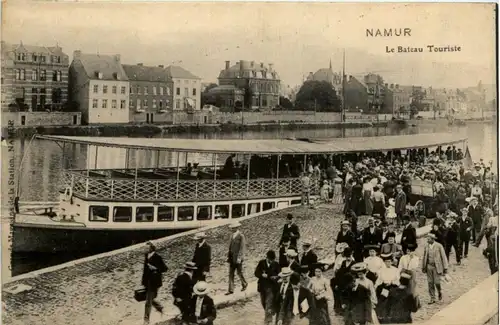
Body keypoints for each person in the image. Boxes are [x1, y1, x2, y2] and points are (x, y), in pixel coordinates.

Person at [141, 241, 168, 325]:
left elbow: (165, 268)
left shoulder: (157, 257)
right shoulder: (146, 256)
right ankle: (159, 306)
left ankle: (146, 320)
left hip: (154, 282)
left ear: (151, 249)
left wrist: (155, 268)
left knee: (148, 301)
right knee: (149, 299)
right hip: (147, 282)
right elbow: (145, 270)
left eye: (146, 248)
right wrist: (143, 281)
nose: (144, 249)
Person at [255, 250, 281, 325]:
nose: (271, 261)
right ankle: (270, 313)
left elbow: (279, 275)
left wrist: (273, 277)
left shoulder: (276, 264)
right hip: (262, 287)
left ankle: (267, 321)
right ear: (267, 258)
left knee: (268, 304)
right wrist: (261, 275)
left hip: (271, 288)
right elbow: (256, 273)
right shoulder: (261, 263)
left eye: (272, 260)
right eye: (270, 260)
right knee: (263, 303)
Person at [422, 233, 448, 304]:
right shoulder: (426, 246)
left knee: (437, 282)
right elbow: (424, 257)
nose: (427, 240)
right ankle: (432, 298)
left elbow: (443, 257)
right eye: (427, 238)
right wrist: (423, 267)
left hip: (437, 267)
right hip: (429, 266)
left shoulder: (439, 246)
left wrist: (445, 267)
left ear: (433, 239)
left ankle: (439, 291)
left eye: (429, 238)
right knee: (430, 282)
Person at [375, 253, 400, 324]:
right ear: (384, 262)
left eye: (389, 261)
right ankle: (381, 316)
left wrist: (391, 282)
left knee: (392, 299)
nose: (387, 263)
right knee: (382, 299)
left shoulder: (395, 269)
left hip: (392, 286)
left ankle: (391, 315)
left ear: (391, 262)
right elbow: (379, 279)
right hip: (384, 287)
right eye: (386, 262)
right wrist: (375, 286)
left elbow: (397, 279)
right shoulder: (381, 270)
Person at [331, 247, 356, 314]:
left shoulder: (354, 263)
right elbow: (340, 273)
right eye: (347, 257)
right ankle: (338, 308)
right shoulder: (343, 262)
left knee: (347, 292)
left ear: (351, 256)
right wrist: (337, 283)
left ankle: (348, 309)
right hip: (342, 280)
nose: (348, 258)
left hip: (349, 281)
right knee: (335, 286)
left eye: (349, 256)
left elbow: (354, 275)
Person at [226, 221, 248, 295]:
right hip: (232, 257)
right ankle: (231, 289)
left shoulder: (241, 236)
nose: (232, 229)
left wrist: (240, 258)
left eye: (233, 228)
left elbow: (242, 248)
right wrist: (228, 256)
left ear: (236, 227)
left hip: (238, 258)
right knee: (231, 273)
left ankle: (244, 284)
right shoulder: (232, 235)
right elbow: (230, 247)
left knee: (239, 272)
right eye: (231, 228)